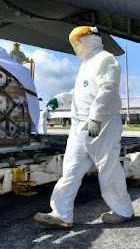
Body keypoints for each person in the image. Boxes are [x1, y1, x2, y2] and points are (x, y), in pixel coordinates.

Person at [34, 26, 134, 228]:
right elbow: (81, 91)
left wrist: (96, 118)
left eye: (78, 41)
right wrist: (59, 99)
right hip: (80, 127)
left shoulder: (106, 59)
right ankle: (61, 215)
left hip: (103, 125)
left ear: (91, 39)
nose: (75, 46)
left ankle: (123, 211)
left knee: (108, 168)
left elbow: (108, 90)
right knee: (70, 169)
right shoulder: (86, 64)